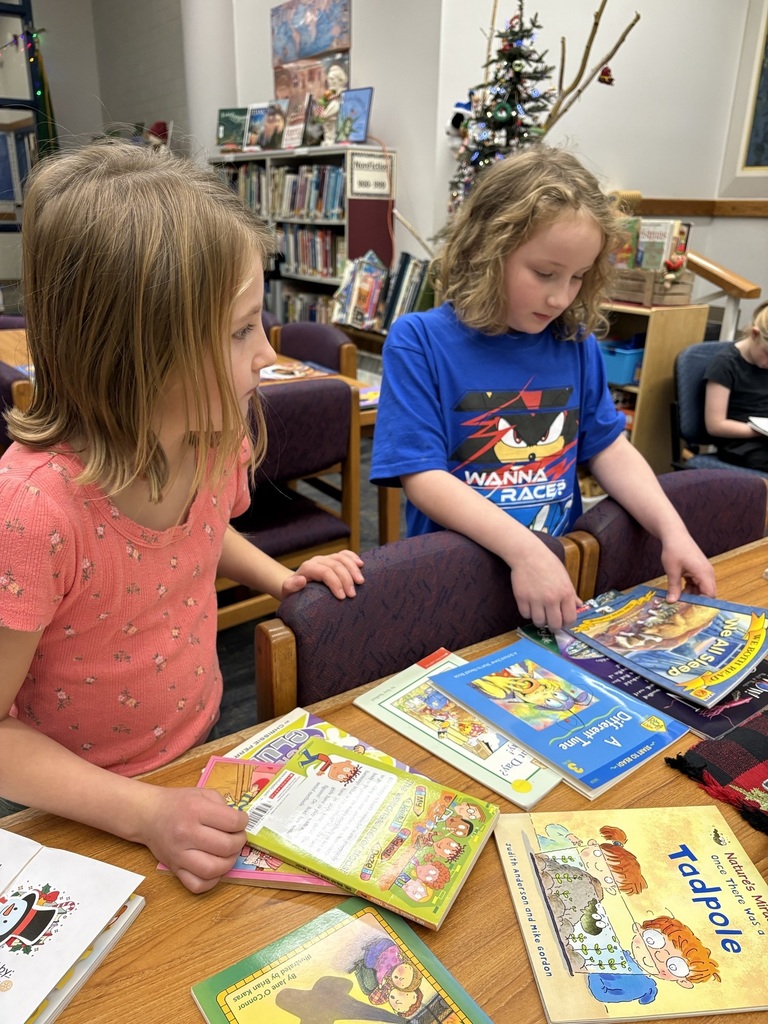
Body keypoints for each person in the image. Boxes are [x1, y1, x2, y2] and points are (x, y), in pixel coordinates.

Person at [0, 140, 364, 892]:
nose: (267, 353)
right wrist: (142, 813)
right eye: (239, 331)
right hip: (73, 807)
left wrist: (282, 575)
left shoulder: (212, 437)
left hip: (194, 752)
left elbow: (203, 535)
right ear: (136, 351)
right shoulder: (32, 511)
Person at [371, 145, 716, 630]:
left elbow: (609, 450)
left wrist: (672, 531)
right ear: (486, 251)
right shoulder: (419, 340)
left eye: (577, 277)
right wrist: (524, 551)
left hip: (556, 575)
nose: (560, 297)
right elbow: (423, 477)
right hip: (455, 579)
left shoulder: (574, 343)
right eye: (544, 274)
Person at [704, 301, 768, 471]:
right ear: (754, 334)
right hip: (740, 443)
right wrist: (760, 431)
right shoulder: (725, 364)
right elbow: (716, 425)